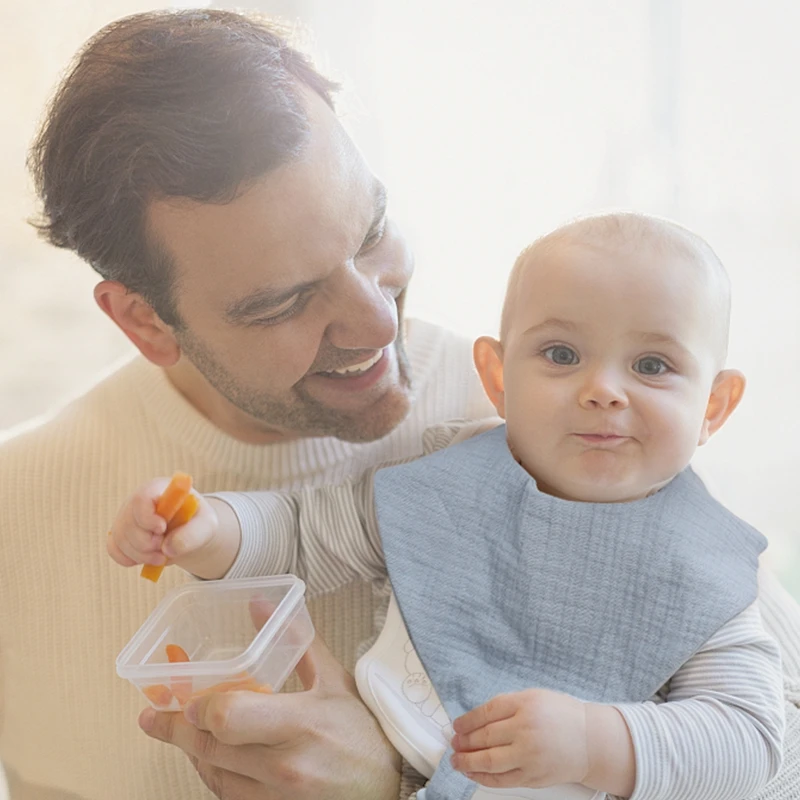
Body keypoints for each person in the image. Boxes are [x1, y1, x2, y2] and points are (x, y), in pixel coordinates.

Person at [1, 7, 799, 800]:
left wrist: (391, 787)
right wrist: (207, 529)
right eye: (284, 301)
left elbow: (767, 753)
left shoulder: (578, 451)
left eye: (371, 229)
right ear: (143, 320)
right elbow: (303, 529)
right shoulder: (19, 513)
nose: (379, 322)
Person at [112, 212, 786, 800]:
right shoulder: (445, 489)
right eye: (561, 354)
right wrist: (209, 529)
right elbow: (300, 532)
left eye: (653, 366)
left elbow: (751, 740)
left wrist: (593, 740)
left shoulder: (704, 570)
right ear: (495, 377)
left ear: (715, 407)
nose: (604, 389)